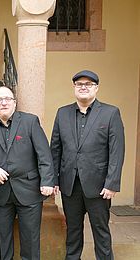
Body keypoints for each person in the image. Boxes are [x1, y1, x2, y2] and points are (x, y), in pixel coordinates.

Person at [50, 70, 125, 260]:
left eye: (88, 84)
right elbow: (55, 149)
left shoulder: (110, 113)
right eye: (79, 84)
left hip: (99, 186)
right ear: (74, 88)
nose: (83, 87)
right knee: (73, 232)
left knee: (101, 231)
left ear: (96, 88)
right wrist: (54, 179)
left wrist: (112, 183)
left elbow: (116, 151)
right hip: (70, 185)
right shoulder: (62, 113)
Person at [0, 86, 55, 260]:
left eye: (8, 99)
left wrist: (47, 181)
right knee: (2, 242)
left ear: (14, 103)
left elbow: (44, 154)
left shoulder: (30, 122)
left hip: (29, 190)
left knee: (31, 242)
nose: (4, 102)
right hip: (0, 193)